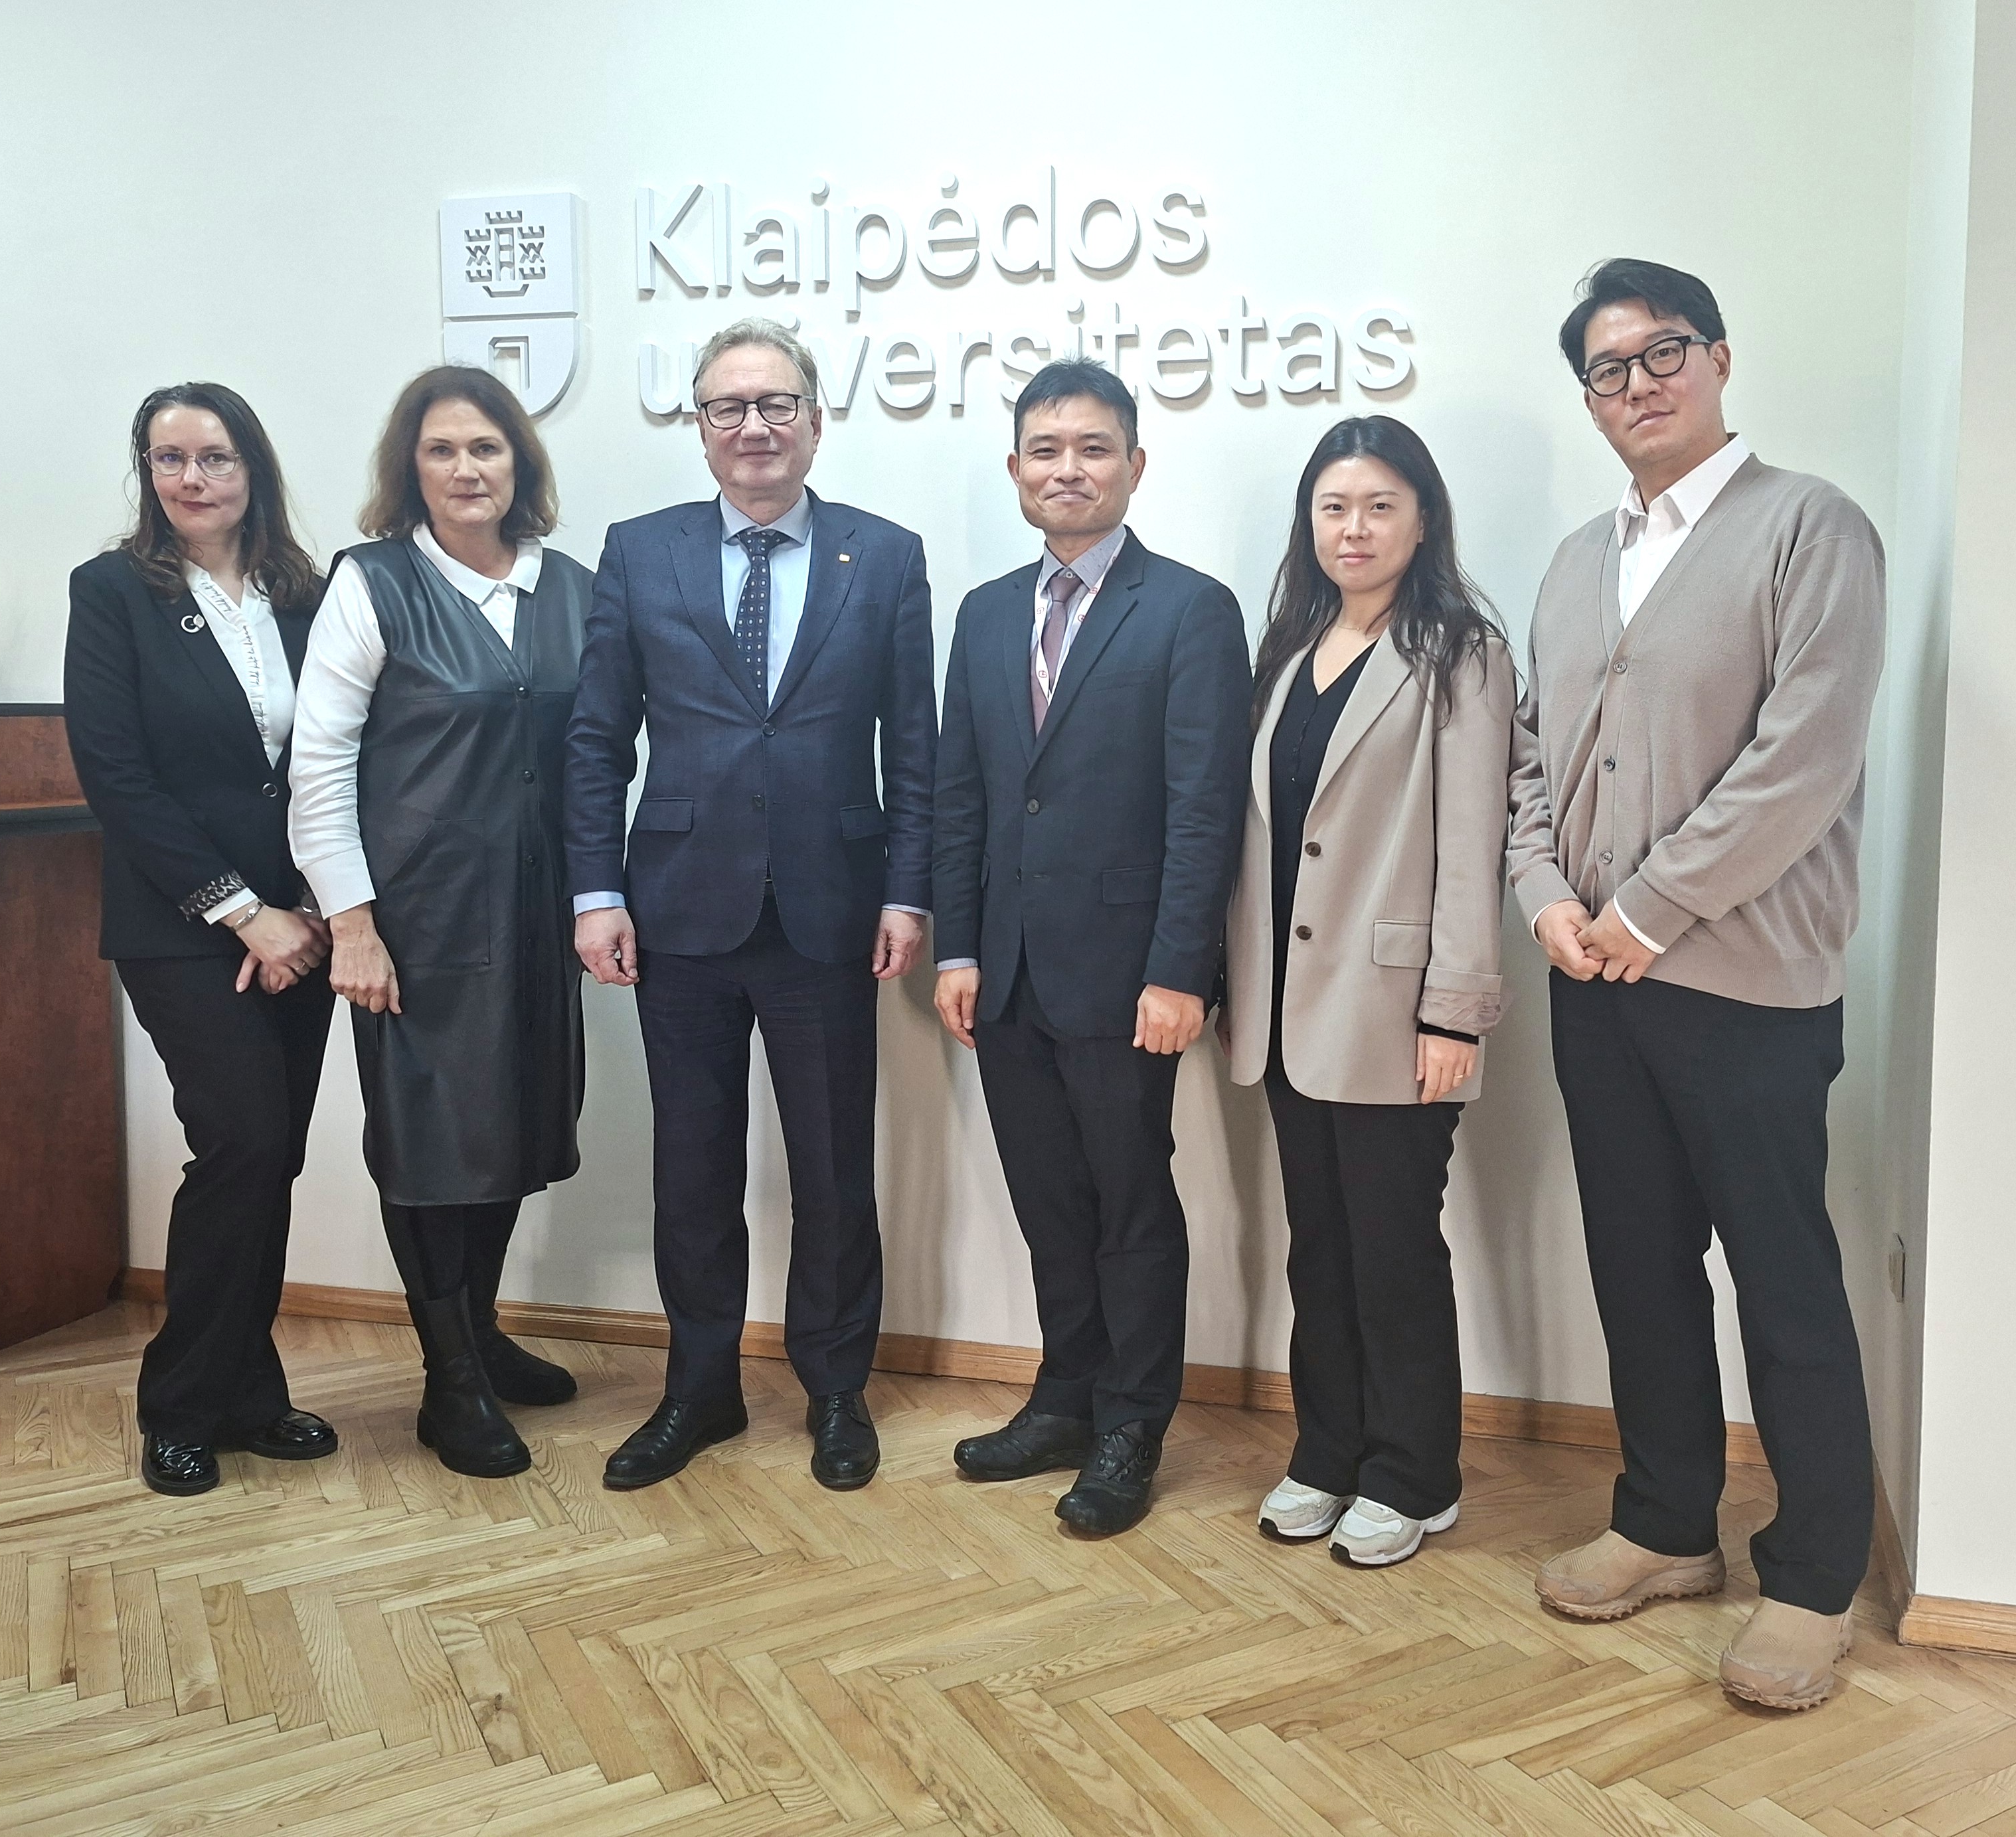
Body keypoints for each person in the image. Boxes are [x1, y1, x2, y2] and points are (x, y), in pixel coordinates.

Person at [1507, 260, 1885, 1710]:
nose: (1637, 384)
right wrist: (1546, 898)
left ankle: (1812, 1578)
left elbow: (1805, 756)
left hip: (1744, 985)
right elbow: (1527, 758)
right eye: (1606, 370)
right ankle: (1667, 1522)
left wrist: (1647, 911)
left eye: (1660, 352)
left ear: (1718, 357)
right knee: (1636, 1262)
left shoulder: (1808, 526)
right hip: (1590, 977)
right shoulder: (1573, 560)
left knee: (1782, 1281)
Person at [566, 319, 934, 1494]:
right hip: (676, 912)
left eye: (777, 404)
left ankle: (835, 1390)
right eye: (729, 407)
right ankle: (699, 1388)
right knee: (691, 1169)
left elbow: (913, 748)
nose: (754, 426)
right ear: (700, 427)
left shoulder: (884, 556)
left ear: (816, 422)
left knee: (833, 1171)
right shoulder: (640, 552)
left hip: (832, 911)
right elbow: (595, 740)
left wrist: (908, 890)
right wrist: (595, 891)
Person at [931, 359, 1251, 1538]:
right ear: (1016, 467)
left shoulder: (1190, 609)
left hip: (1127, 978)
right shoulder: (982, 613)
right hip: (1005, 971)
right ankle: (1063, 1396)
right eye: (1046, 449)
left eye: (1093, 448)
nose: (1068, 469)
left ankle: (1130, 1423)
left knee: (1129, 1205)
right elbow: (961, 795)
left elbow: (1204, 810)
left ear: (1133, 465)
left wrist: (1179, 970)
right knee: (1047, 1199)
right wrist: (956, 951)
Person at [1219, 416, 1515, 1568]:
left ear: (1422, 520)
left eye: (1380, 506)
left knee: (1393, 1252)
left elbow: (1472, 845)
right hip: (1287, 1010)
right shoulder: (1287, 650)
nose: (1354, 529)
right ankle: (1327, 1452)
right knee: (1320, 1249)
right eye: (1334, 507)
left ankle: (1413, 1474)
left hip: (1395, 1012)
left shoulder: (1459, 654)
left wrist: (1455, 1012)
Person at [289, 366, 590, 1479]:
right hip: (417, 921)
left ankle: (480, 1332)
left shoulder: (573, 589)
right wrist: (352, 924)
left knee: (509, 1131)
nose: (467, 469)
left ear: (520, 462)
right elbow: (318, 763)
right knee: (430, 1148)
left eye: (486, 447)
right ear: (409, 469)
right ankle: (447, 1378)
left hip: (536, 914)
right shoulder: (373, 583)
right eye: (442, 450)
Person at [63, 381, 337, 1497]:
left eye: (214, 457)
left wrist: (312, 905)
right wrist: (241, 910)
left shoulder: (309, 594)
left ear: (251, 468)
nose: (191, 478)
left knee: (271, 1157)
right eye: (168, 458)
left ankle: (248, 1394)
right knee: (242, 1144)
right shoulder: (113, 592)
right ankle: (178, 1405)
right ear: (147, 472)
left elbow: (339, 753)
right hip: (184, 924)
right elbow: (116, 776)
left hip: (305, 924)